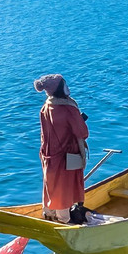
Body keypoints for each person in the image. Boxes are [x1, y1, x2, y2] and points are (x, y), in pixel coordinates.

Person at [34, 74, 89, 223]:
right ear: (60, 89)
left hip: (48, 154)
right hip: (66, 155)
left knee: (50, 184)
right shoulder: (68, 108)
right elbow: (82, 132)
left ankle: (48, 213)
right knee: (64, 187)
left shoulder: (46, 107)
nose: (67, 87)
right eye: (65, 85)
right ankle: (64, 220)